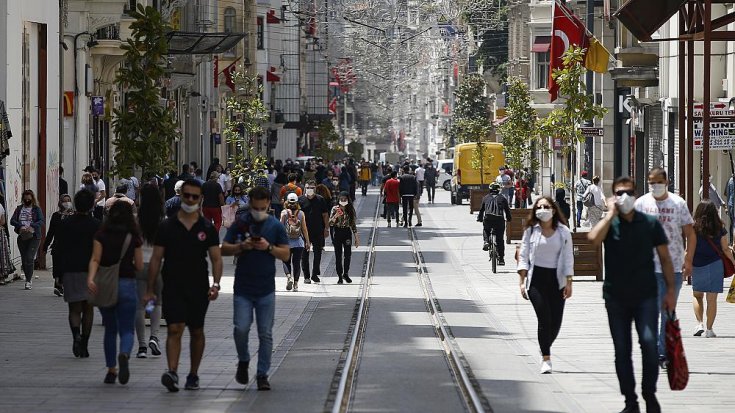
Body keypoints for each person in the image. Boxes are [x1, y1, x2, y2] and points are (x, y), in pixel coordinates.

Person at [588, 176, 675, 413]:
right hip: (616, 298)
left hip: (646, 296)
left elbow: (665, 258)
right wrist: (609, 215)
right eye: (619, 192)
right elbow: (593, 239)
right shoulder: (610, 223)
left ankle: (650, 393)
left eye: (627, 192)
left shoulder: (649, 223)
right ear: (613, 196)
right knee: (622, 350)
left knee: (648, 344)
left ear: (635, 195)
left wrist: (670, 291)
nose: (624, 196)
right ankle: (630, 401)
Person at [144, 179, 223, 392]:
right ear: (180, 196)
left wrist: (216, 284)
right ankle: (172, 371)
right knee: (174, 328)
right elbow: (156, 259)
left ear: (201, 199)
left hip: (198, 286)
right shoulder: (167, 226)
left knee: (197, 330)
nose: (190, 199)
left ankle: (193, 374)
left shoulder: (206, 227)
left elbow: (216, 258)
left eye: (194, 197)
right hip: (172, 285)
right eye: (186, 195)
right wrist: (150, 289)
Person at [221, 186, 291, 391]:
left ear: (268, 204)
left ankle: (262, 374)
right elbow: (223, 248)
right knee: (241, 328)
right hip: (243, 287)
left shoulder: (275, 226)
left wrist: (268, 247)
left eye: (263, 207)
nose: (259, 210)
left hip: (266, 289)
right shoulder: (241, 224)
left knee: (265, 333)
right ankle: (243, 360)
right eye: (255, 207)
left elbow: (286, 255)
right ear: (250, 204)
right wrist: (242, 247)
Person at [634, 167, 695, 367]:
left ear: (667, 182)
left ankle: (663, 353)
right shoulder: (641, 204)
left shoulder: (678, 204)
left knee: (668, 311)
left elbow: (690, 234)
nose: (655, 185)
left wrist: (688, 260)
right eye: (651, 182)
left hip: (673, 268)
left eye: (659, 181)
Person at [87, 202, 144, 385]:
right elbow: (140, 265)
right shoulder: (133, 237)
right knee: (127, 328)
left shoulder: (101, 235)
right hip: (127, 284)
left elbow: (95, 259)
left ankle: (111, 370)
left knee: (110, 330)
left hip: (106, 285)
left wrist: (91, 278)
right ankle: (125, 354)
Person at [517, 196, 574, 374]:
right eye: (539, 207)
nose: (543, 209)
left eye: (546, 206)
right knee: (544, 319)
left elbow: (568, 257)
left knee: (556, 322)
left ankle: (544, 345)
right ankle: (546, 359)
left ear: (554, 210)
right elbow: (524, 254)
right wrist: (521, 281)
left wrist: (569, 281)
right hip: (536, 280)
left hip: (556, 280)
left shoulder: (563, 231)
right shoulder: (531, 231)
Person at [54, 190, 100, 358]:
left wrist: (58, 273)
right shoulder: (96, 225)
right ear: (91, 205)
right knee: (88, 309)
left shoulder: (65, 224)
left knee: (74, 309)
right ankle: (85, 344)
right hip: (91, 272)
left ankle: (76, 337)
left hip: (70, 270)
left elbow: (58, 249)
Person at [690, 201, 733, 338]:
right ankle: (709, 329)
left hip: (697, 264)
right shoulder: (720, 227)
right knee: (712, 299)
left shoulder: (693, 227)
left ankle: (699, 323)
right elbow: (725, 248)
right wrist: (733, 261)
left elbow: (689, 248)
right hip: (715, 264)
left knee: (697, 296)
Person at [135, 182, 164, 359]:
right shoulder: (163, 222)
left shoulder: (137, 221)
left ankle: (142, 345)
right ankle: (154, 336)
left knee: (139, 306)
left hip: (139, 265)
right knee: (155, 302)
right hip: (158, 266)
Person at [10, 190, 45, 290]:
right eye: (25, 199)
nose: (27, 200)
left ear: (32, 199)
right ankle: (27, 276)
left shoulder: (36, 209)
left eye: (29, 199)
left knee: (29, 257)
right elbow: (12, 220)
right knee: (24, 259)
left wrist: (31, 225)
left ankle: (28, 281)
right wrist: (20, 226)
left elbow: (41, 220)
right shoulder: (19, 209)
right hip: (22, 236)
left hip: (34, 236)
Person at [299, 180, 330, 284]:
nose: (310, 190)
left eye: (312, 188)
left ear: (315, 188)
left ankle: (315, 274)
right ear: (305, 188)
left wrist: (326, 228)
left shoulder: (320, 199)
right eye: (308, 187)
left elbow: (325, 215)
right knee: (304, 254)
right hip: (304, 232)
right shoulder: (301, 200)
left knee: (318, 253)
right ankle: (306, 276)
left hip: (318, 231)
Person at [44, 194, 75, 296]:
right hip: (58, 245)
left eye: (68, 200)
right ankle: (58, 285)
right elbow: (51, 232)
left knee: (66, 266)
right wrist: (45, 245)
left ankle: (62, 284)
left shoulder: (74, 216)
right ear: (60, 203)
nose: (66, 203)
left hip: (70, 246)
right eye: (64, 201)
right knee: (57, 266)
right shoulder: (56, 215)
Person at [280, 193, 310, 292]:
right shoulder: (301, 213)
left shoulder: (284, 213)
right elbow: (304, 229)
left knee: (285, 261)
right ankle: (296, 285)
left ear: (287, 202)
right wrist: (307, 242)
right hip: (299, 243)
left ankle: (289, 277)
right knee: (296, 263)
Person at [477, 183, 512, 265]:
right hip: (499, 219)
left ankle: (486, 241)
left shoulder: (485, 198)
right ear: (498, 190)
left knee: (486, 229)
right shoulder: (502, 198)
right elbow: (507, 210)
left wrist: (480, 218)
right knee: (500, 239)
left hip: (488, 218)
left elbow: (481, 210)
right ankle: (501, 259)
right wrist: (509, 219)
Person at [330, 192, 360, 283]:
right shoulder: (335, 209)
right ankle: (339, 275)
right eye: (341, 199)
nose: (343, 201)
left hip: (347, 232)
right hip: (338, 232)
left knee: (347, 255)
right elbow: (330, 223)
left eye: (345, 199)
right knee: (338, 256)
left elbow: (353, 224)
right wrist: (335, 216)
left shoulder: (350, 209)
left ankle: (345, 274)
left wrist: (356, 238)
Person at [0, 197, 16, 285]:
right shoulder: (0, 206)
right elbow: (3, 222)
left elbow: (2, 221)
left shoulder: (0, 207)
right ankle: (1, 276)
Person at [726, 173, 735, 242]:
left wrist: (728, 208)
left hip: (731, 205)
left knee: (732, 223)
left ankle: (732, 241)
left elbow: (728, 194)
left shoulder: (730, 181)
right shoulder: (730, 181)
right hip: (732, 205)